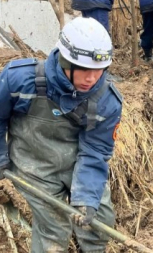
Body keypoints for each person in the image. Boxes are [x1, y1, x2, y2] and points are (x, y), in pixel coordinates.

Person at [0, 17, 122, 252]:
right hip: (35, 166)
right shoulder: (20, 79)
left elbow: (96, 150)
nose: (92, 79)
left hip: (77, 163)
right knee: (53, 230)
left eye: (99, 71)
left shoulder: (106, 100)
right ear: (66, 61)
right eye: (84, 70)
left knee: (98, 223)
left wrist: (86, 196)